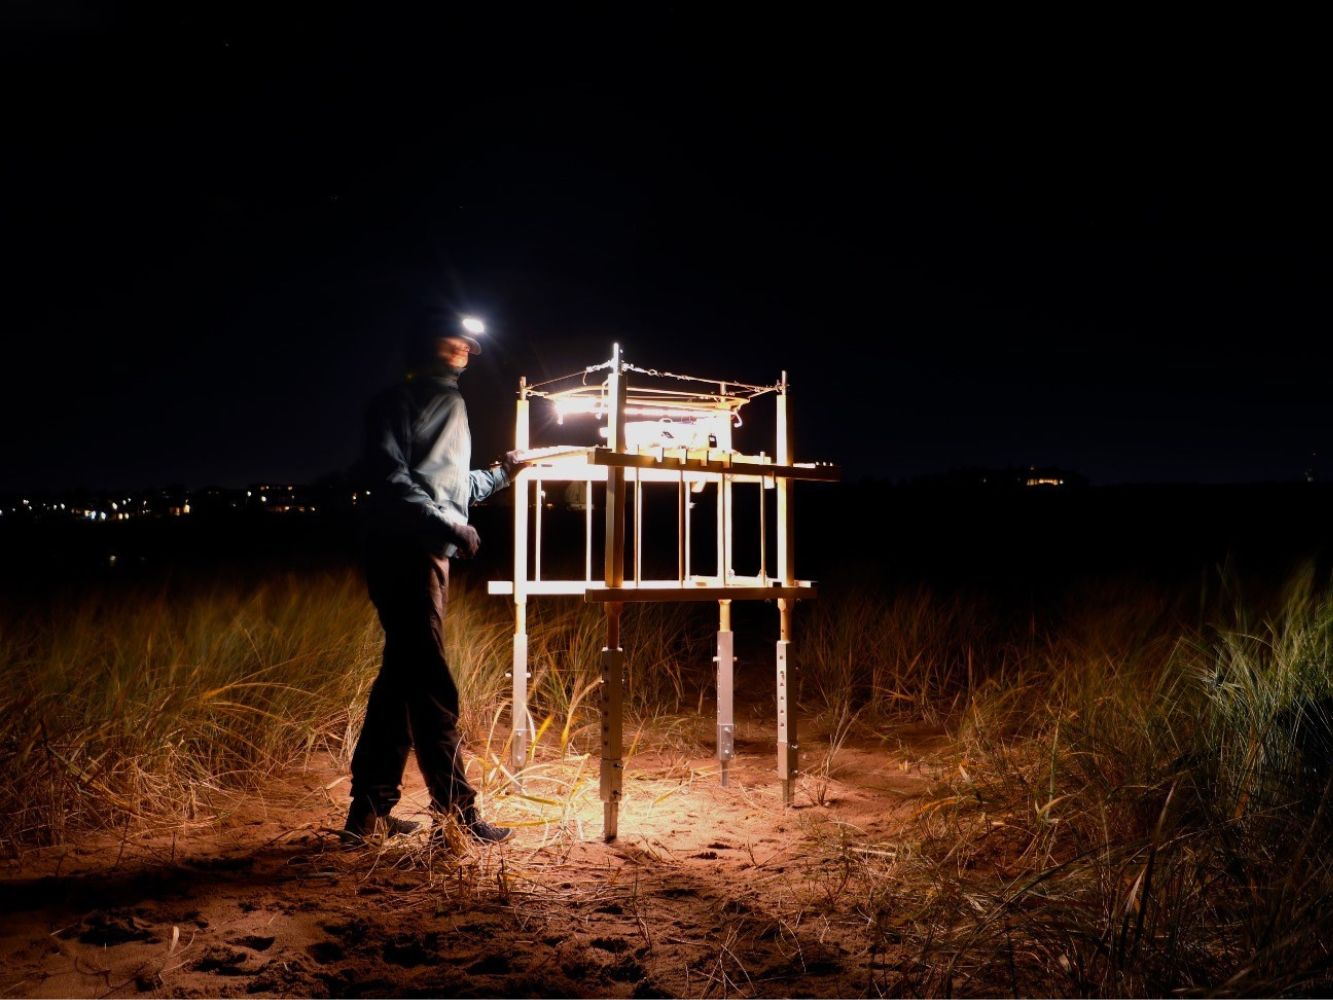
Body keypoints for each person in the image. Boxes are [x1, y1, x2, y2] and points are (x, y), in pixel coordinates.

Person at [344, 312, 522, 845]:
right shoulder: (394, 403)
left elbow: (448, 483)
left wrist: (504, 473)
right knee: (430, 685)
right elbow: (391, 477)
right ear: (426, 344)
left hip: (428, 552)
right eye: (454, 339)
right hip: (404, 553)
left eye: (469, 341)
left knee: (401, 684)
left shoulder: (455, 403)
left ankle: (366, 816)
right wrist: (446, 522)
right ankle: (458, 813)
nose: (466, 347)